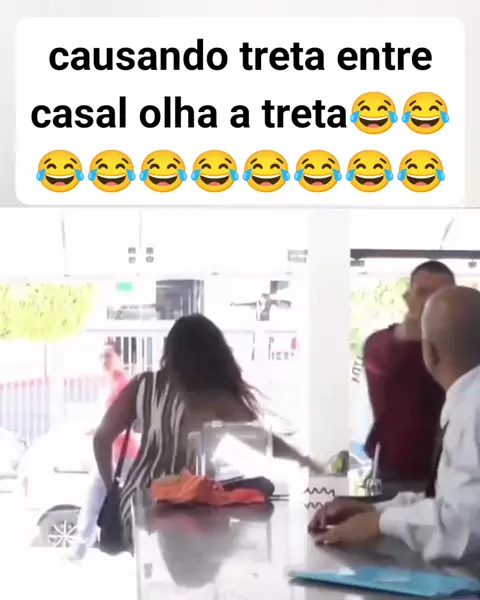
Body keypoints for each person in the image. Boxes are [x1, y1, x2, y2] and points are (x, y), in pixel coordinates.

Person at [93, 314, 322, 549]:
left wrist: (113, 488)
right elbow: (261, 440)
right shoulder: (214, 396)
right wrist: (302, 459)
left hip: (139, 500)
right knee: (200, 560)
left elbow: (101, 439)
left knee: (151, 563)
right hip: (185, 501)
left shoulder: (143, 385)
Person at [310, 285, 480, 562]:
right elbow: (449, 501)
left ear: (430, 352)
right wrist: (376, 511)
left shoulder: (473, 410)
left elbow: (465, 525)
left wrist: (381, 523)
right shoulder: (466, 398)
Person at [363, 261, 455, 496]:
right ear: (409, 297)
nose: (431, 302)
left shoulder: (461, 347)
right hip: (396, 474)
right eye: (423, 293)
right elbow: (389, 365)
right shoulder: (380, 343)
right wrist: (416, 319)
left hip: (453, 469)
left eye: (440, 295)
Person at [69, 341, 137, 560]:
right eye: (102, 356)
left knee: (111, 499)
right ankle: (80, 550)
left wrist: (103, 431)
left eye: (109, 355)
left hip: (123, 453)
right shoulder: (110, 384)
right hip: (112, 451)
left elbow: (125, 421)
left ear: (120, 358)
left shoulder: (123, 385)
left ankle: (80, 550)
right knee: (98, 498)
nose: (105, 360)